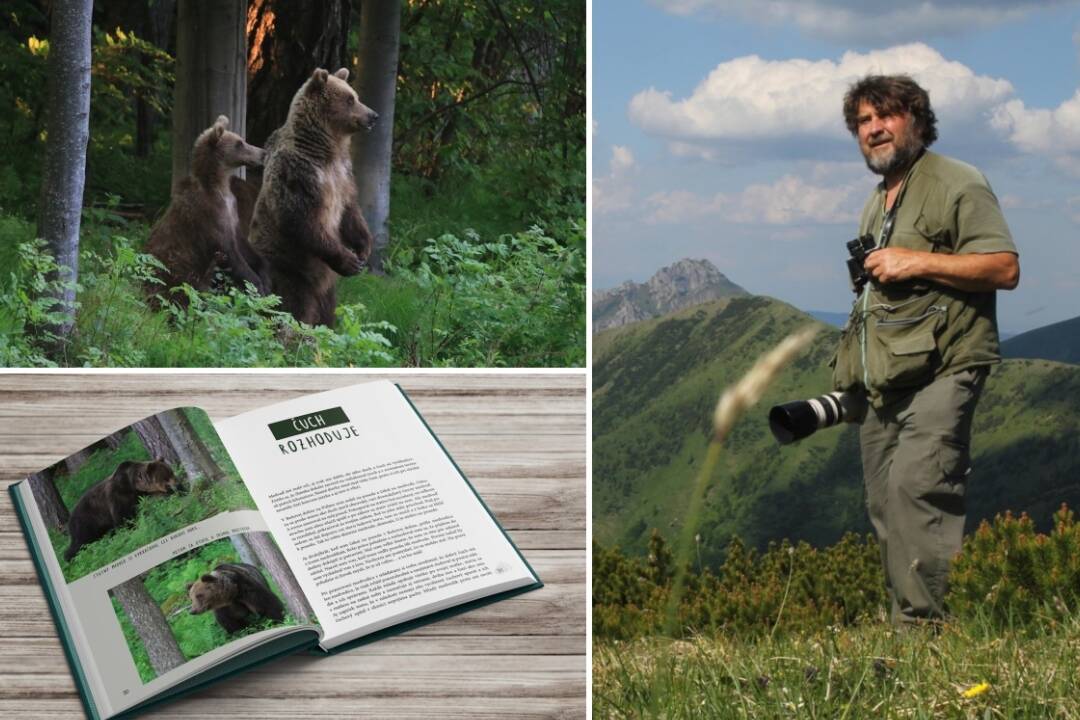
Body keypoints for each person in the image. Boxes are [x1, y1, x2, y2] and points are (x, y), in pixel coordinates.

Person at [831, 75, 1019, 624]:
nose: (874, 129)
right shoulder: (876, 202)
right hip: (887, 379)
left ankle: (925, 640)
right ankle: (906, 633)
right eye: (863, 121)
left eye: (885, 115)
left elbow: (1004, 268)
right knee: (885, 507)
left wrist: (917, 260)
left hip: (947, 367)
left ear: (916, 119)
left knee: (919, 492)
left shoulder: (958, 182)